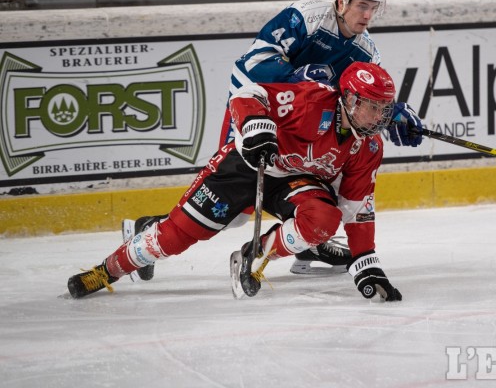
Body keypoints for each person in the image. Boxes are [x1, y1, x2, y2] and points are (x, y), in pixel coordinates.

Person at [124, 0, 423, 279]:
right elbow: (249, 66)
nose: (368, 15)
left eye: (374, 8)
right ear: (340, 0)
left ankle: (307, 243)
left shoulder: (366, 51)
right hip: (263, 115)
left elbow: (363, 101)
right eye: (362, 5)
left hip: (310, 128)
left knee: (327, 181)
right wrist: (293, 79)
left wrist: (394, 117)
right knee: (238, 209)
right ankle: (147, 229)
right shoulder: (304, 18)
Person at [67, 62, 402, 302]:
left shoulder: (369, 146)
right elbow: (250, 94)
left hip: (295, 181)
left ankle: (253, 255)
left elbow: (357, 209)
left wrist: (365, 263)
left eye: (383, 109)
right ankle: (107, 270)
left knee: (324, 219)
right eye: (373, 107)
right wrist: (256, 124)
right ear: (350, 99)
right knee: (175, 237)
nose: (379, 118)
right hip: (245, 166)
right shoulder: (311, 101)